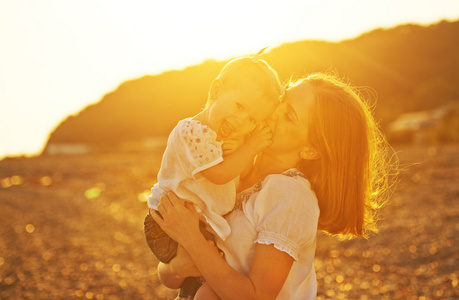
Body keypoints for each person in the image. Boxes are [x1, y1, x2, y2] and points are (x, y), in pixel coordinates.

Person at [151, 73, 396, 299]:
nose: (274, 111)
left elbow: (257, 296)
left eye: (289, 116)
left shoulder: (290, 196)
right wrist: (177, 265)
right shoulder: (230, 166)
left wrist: (193, 240)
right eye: (283, 98)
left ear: (310, 150)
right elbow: (170, 275)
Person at [144, 49, 283, 298]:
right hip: (167, 221)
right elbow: (219, 175)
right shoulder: (191, 132)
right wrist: (251, 147)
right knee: (203, 280)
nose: (241, 121)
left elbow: (240, 178)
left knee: (202, 281)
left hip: (198, 223)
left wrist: (241, 150)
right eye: (239, 106)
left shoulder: (224, 141)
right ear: (216, 90)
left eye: (252, 119)